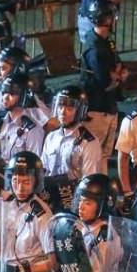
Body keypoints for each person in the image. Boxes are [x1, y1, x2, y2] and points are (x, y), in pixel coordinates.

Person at [80, 0, 126, 173]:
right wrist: (116, 77)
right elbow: (106, 82)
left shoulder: (106, 43)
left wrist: (117, 76)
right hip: (97, 111)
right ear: (108, 19)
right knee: (93, 157)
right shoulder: (94, 48)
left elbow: (120, 69)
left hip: (108, 107)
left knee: (104, 157)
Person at [41, 86, 101, 214]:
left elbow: (88, 181)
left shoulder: (89, 142)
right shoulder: (51, 137)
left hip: (73, 202)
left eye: (69, 108)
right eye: (60, 107)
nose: (62, 112)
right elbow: (44, 169)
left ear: (79, 111)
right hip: (49, 198)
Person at [0, 73, 44, 163]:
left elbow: (33, 163)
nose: (5, 97)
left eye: (11, 93)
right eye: (4, 91)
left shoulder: (32, 129)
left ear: (23, 97)